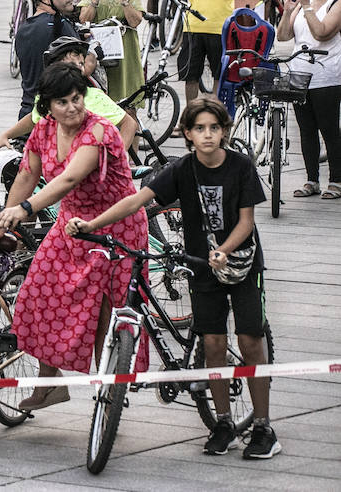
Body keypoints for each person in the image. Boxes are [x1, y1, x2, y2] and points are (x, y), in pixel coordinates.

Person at [66, 96, 280, 459]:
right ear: (188, 134)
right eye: (200, 129)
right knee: (212, 343)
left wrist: (224, 250)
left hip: (243, 266)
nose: (208, 135)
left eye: (214, 128)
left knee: (250, 341)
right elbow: (136, 200)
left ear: (224, 132)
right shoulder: (182, 169)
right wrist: (92, 224)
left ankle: (263, 427)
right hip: (201, 266)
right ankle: (223, 423)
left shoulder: (241, 166)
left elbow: (247, 222)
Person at [0, 63, 149, 410]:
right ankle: (49, 382)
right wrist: (6, 217)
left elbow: (68, 180)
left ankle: (110, 392)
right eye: (62, 102)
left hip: (116, 223)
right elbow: (27, 175)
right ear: (47, 106)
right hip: (71, 225)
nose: (73, 107)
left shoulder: (100, 131)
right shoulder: (43, 131)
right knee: (36, 295)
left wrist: (27, 210)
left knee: (106, 311)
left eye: (77, 98)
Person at [0, 36, 140, 155]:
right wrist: (7, 134)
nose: (78, 69)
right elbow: (34, 118)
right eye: (71, 64)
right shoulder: (48, 95)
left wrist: (115, 157)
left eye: (81, 64)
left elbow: (130, 124)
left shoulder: (92, 96)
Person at [277, 0, 341, 199]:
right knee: (306, 129)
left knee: (329, 129)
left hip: (327, 77)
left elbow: (322, 33)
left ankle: (336, 180)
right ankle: (311, 179)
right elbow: (283, 36)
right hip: (299, 74)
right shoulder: (307, 2)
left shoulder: (336, 3)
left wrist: (305, 7)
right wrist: (288, 11)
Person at [79, 0, 145, 104]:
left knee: (128, 104)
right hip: (99, 52)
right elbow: (84, 19)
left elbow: (135, 22)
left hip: (125, 54)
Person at [14, 0, 79, 119]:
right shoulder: (60, 24)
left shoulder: (23, 29)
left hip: (28, 113)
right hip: (53, 116)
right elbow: (82, 68)